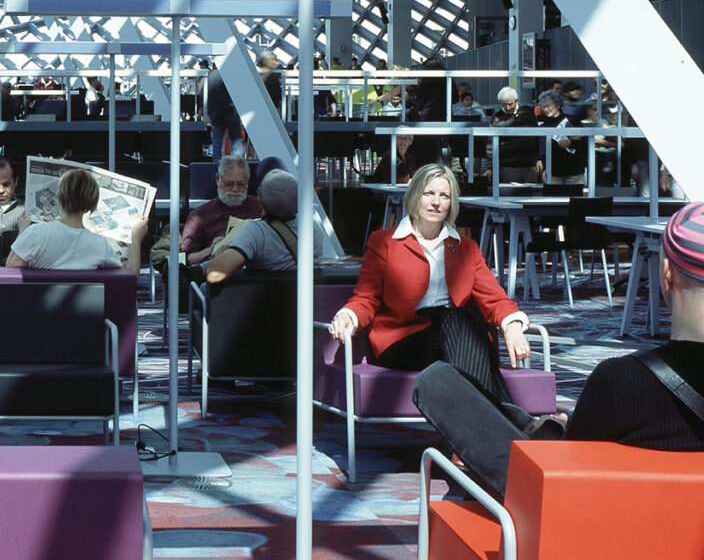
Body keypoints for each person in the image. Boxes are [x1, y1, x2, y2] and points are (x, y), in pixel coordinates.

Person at [406, 201, 704, 504]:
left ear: (666, 274)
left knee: (439, 381)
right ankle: (546, 425)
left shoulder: (622, 382)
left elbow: (568, 487)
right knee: (531, 421)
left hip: (611, 539)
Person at [327, 164, 536, 422]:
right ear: (415, 195)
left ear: (451, 204)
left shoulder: (466, 248)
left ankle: (494, 432)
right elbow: (366, 297)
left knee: (462, 327)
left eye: (444, 196)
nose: (436, 202)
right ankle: (519, 423)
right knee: (462, 323)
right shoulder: (384, 243)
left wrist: (512, 326)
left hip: (456, 339)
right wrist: (348, 315)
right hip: (405, 342)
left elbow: (494, 298)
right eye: (429, 193)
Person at [7, 167, 126, 270]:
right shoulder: (100, 245)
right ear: (91, 204)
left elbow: (10, 269)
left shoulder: (36, 233)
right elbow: (123, 275)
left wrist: (22, 231)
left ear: (59, 198)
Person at [205, 167, 302, 280]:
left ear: (259, 198)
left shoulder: (256, 231)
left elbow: (214, 272)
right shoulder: (312, 226)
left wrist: (219, 255)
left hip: (263, 291)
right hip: (304, 290)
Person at [173, 154, 263, 271]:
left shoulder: (259, 207)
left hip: (255, 272)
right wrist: (211, 250)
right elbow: (186, 259)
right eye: (229, 184)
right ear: (217, 179)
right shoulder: (200, 215)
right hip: (215, 274)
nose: (235, 189)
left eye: (241, 184)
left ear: (248, 181)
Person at [490, 85, 542, 184]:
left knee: (531, 192)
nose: (507, 107)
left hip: (529, 164)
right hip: (508, 166)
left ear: (517, 100)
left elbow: (537, 136)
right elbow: (491, 144)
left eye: (510, 104)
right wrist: (490, 167)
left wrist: (539, 159)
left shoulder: (527, 112)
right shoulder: (497, 118)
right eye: (504, 105)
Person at [205, 62, 244, 157]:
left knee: (217, 143)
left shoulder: (211, 76)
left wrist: (208, 114)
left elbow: (207, 97)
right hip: (231, 113)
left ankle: (216, 162)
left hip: (216, 114)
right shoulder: (233, 74)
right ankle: (236, 161)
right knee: (235, 141)